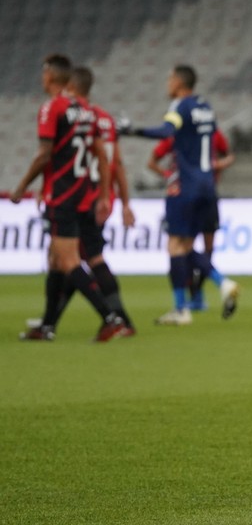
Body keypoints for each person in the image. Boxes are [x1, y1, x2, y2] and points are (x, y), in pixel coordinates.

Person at [11, 54, 127, 342]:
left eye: (43, 73)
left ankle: (110, 317)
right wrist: (102, 194)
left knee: (68, 261)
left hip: (62, 195)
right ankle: (47, 326)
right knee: (55, 260)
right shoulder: (86, 111)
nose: (42, 78)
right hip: (82, 194)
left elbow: (45, 154)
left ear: (50, 76)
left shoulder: (53, 109)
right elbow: (102, 155)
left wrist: (22, 185)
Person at [119, 65, 240, 325]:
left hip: (185, 186)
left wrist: (131, 130)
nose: (167, 83)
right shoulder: (206, 107)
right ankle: (219, 285)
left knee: (175, 245)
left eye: (169, 78)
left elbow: (166, 131)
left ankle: (184, 307)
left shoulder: (180, 106)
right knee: (185, 247)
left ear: (178, 82)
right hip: (208, 185)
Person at [148, 127, 235, 311]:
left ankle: (191, 299)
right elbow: (153, 161)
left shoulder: (206, 134)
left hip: (187, 196)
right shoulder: (196, 134)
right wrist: (168, 175)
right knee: (186, 248)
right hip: (203, 194)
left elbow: (229, 155)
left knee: (183, 248)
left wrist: (218, 165)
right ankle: (205, 290)